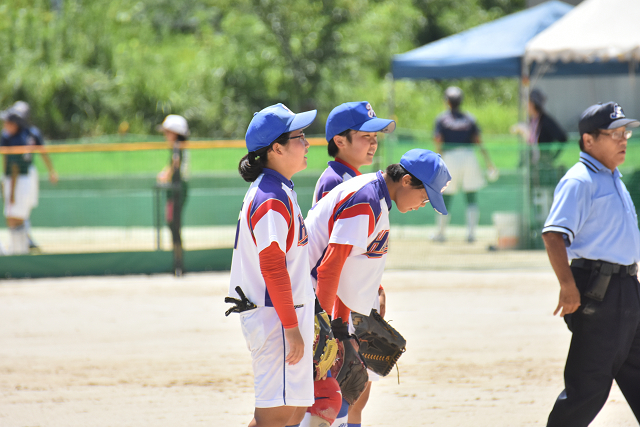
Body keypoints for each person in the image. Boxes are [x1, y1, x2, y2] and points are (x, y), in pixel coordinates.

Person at [305, 149, 451, 427]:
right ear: (406, 180)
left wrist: (340, 327)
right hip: (307, 304)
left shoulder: (378, 199)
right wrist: (324, 331)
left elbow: (347, 273)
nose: (424, 204)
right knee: (311, 403)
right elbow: (329, 267)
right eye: (425, 196)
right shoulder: (367, 199)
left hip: (318, 305)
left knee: (331, 404)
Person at [541, 101, 640, 427]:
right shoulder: (580, 180)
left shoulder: (612, 177)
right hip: (600, 292)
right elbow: (554, 235)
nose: (623, 139)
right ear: (588, 140)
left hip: (626, 288)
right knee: (588, 387)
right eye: (614, 133)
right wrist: (568, 286)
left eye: (624, 132)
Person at [304, 101, 396, 427]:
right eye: (364, 135)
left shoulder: (356, 178)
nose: (373, 142)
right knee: (341, 392)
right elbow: (334, 259)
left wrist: (376, 288)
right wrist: (334, 325)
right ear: (339, 141)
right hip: (335, 304)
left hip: (347, 300)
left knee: (357, 389)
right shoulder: (337, 181)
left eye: (375, 136)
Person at [226, 103, 317, 427]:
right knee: (274, 417)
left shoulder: (278, 190)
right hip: (276, 318)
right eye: (299, 137)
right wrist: (292, 328)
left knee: (291, 413)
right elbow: (273, 266)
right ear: (276, 148)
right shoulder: (270, 198)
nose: (307, 144)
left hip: (283, 314)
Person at [432, 86, 496, 243]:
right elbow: (478, 140)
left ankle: (440, 233)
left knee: (445, 196)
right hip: (469, 156)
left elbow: (438, 140)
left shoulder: (442, 119)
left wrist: (438, 159)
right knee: (471, 195)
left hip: (450, 157)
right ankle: (471, 234)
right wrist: (488, 162)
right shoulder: (469, 118)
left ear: (447, 101)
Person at [4, 101, 58, 252]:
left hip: (24, 177)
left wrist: (52, 171)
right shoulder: (9, 136)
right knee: (15, 213)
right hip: (16, 178)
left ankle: (21, 246)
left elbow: (41, 153)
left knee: (19, 212)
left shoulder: (30, 133)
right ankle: (20, 246)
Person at [0, 106, 40, 254]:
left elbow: (14, 168)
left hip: (17, 182)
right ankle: (20, 250)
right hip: (20, 180)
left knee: (14, 218)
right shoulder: (17, 136)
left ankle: (19, 252)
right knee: (17, 218)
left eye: (7, 122)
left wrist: (10, 194)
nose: (4, 124)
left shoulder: (15, 140)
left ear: (15, 123)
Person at [156, 115, 190, 276]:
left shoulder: (178, 146)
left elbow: (175, 164)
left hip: (178, 190)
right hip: (177, 189)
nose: (165, 135)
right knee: (173, 225)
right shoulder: (178, 147)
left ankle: (178, 264)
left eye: (167, 132)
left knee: (174, 225)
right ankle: (177, 263)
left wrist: (165, 175)